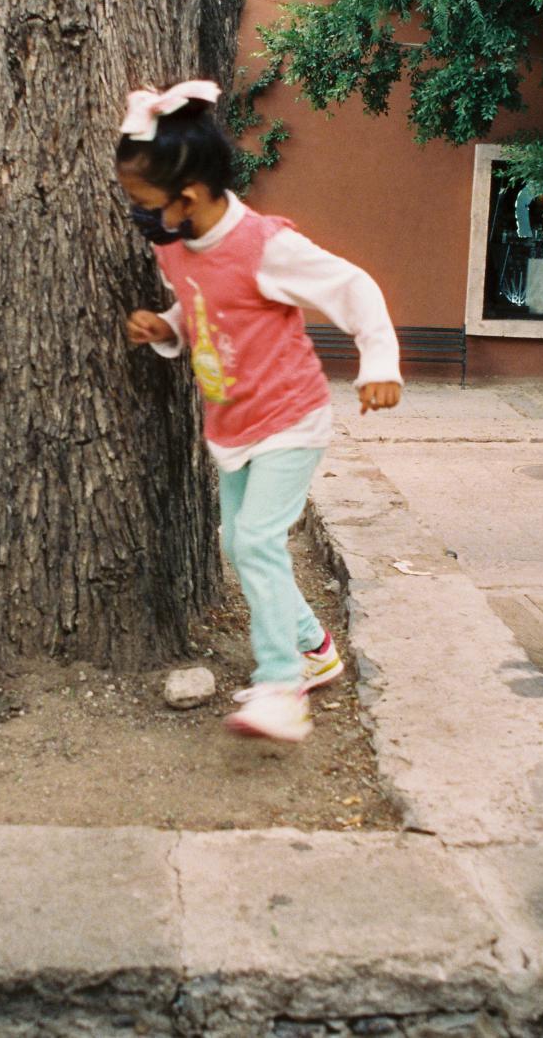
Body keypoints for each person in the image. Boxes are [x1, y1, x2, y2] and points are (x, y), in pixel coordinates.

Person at [120, 81, 402, 743]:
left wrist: (380, 361)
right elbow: (203, 317)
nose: (137, 215)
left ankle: (281, 685)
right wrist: (164, 328)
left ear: (186, 199)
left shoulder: (262, 247)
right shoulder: (175, 247)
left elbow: (350, 285)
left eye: (144, 204)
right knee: (236, 543)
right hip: (233, 425)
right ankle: (313, 645)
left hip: (289, 418)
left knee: (254, 541)